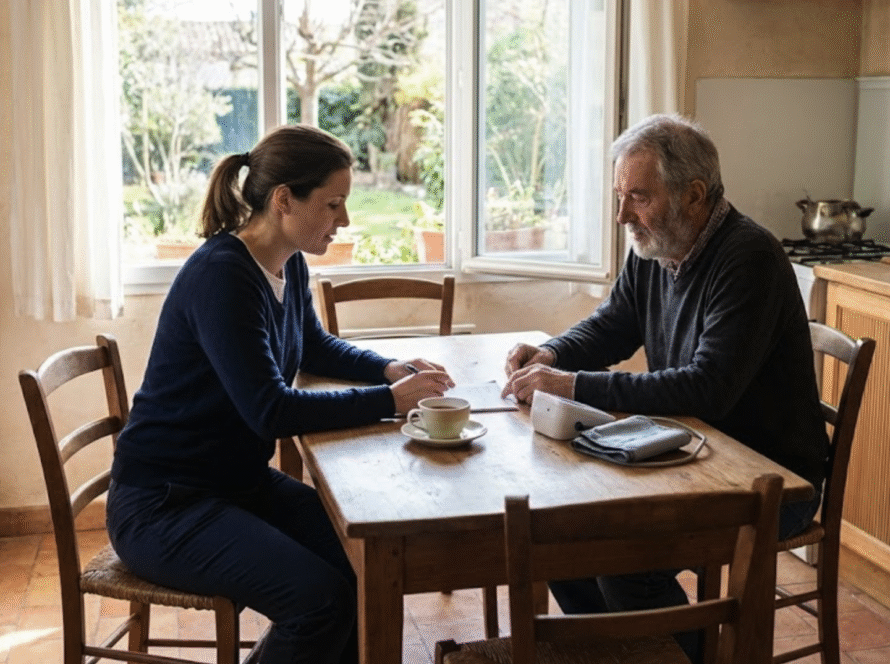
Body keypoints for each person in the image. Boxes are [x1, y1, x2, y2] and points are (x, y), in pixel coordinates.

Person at [106, 124, 454, 664]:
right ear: (284, 200)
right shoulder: (222, 277)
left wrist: (390, 369)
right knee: (319, 602)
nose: (346, 220)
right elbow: (271, 410)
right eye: (334, 204)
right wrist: (394, 401)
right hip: (165, 505)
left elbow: (314, 347)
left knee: (366, 567)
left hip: (232, 485)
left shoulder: (286, 263)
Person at [501, 113, 828, 660]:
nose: (623, 214)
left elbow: (707, 390)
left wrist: (572, 385)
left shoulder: (749, 257)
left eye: (639, 197)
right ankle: (630, 654)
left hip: (769, 478)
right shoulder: (656, 248)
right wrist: (552, 352)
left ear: (694, 195)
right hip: (687, 455)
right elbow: (612, 325)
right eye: (620, 195)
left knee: (627, 564)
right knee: (562, 543)